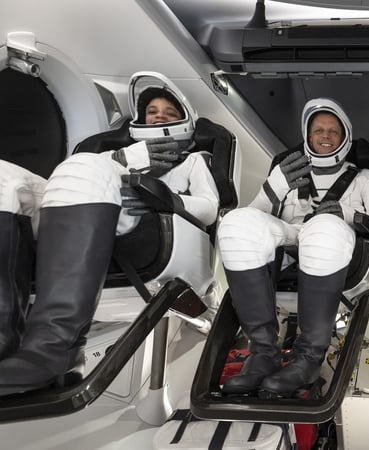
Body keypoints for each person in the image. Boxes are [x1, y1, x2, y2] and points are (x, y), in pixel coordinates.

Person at [0, 71, 219, 395]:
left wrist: (165, 197)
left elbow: (210, 207)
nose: (159, 116)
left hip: (143, 223)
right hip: (80, 215)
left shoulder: (193, 161)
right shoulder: (114, 157)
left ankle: (54, 352)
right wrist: (123, 159)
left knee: (83, 166)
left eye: (169, 112)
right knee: (4, 177)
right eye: (152, 111)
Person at [216, 97, 369, 397]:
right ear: (308, 138)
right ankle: (263, 353)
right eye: (318, 131)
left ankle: (309, 359)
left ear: (345, 138)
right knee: (235, 223)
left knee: (323, 228)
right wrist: (274, 186)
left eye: (333, 131)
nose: (325, 136)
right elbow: (253, 219)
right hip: (291, 241)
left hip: (340, 249)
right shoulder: (287, 175)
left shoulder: (364, 179)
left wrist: (348, 214)